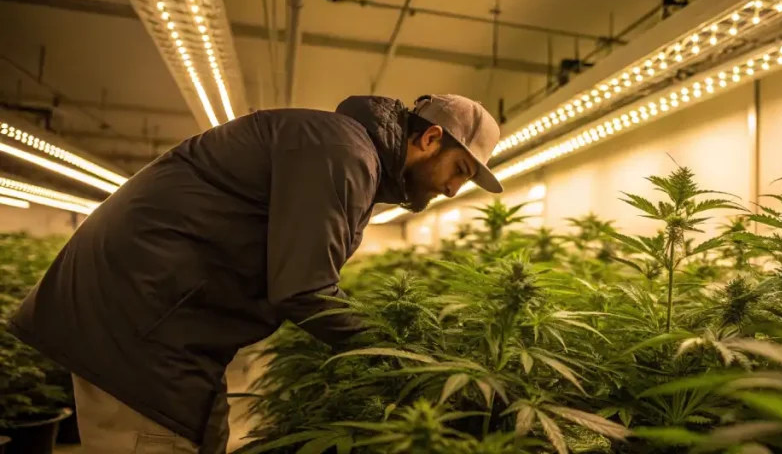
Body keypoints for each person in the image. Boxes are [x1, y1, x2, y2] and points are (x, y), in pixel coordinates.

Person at [8, 94, 504, 453]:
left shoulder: (345, 152)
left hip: (160, 319)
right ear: (431, 138)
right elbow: (303, 287)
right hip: (136, 324)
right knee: (155, 441)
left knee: (204, 434)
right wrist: (407, 356)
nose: (454, 189)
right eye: (459, 170)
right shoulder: (343, 150)